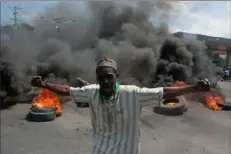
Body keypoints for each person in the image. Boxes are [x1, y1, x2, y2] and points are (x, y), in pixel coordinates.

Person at [31, 58, 211, 154]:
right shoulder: (92, 91)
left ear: (116, 75)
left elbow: (163, 92)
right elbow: (66, 90)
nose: (105, 81)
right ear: (97, 78)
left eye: (109, 76)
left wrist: (194, 87)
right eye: (101, 77)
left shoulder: (132, 93)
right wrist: (44, 84)